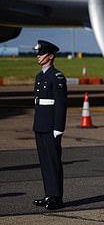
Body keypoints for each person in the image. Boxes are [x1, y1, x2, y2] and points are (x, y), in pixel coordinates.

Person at [32, 40, 67, 211]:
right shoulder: (40, 77)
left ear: (50, 56)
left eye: (42, 53)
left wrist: (58, 128)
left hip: (51, 126)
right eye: (38, 53)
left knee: (53, 162)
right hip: (40, 125)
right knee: (45, 162)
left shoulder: (56, 76)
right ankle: (49, 194)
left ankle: (56, 197)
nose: (38, 56)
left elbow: (60, 104)